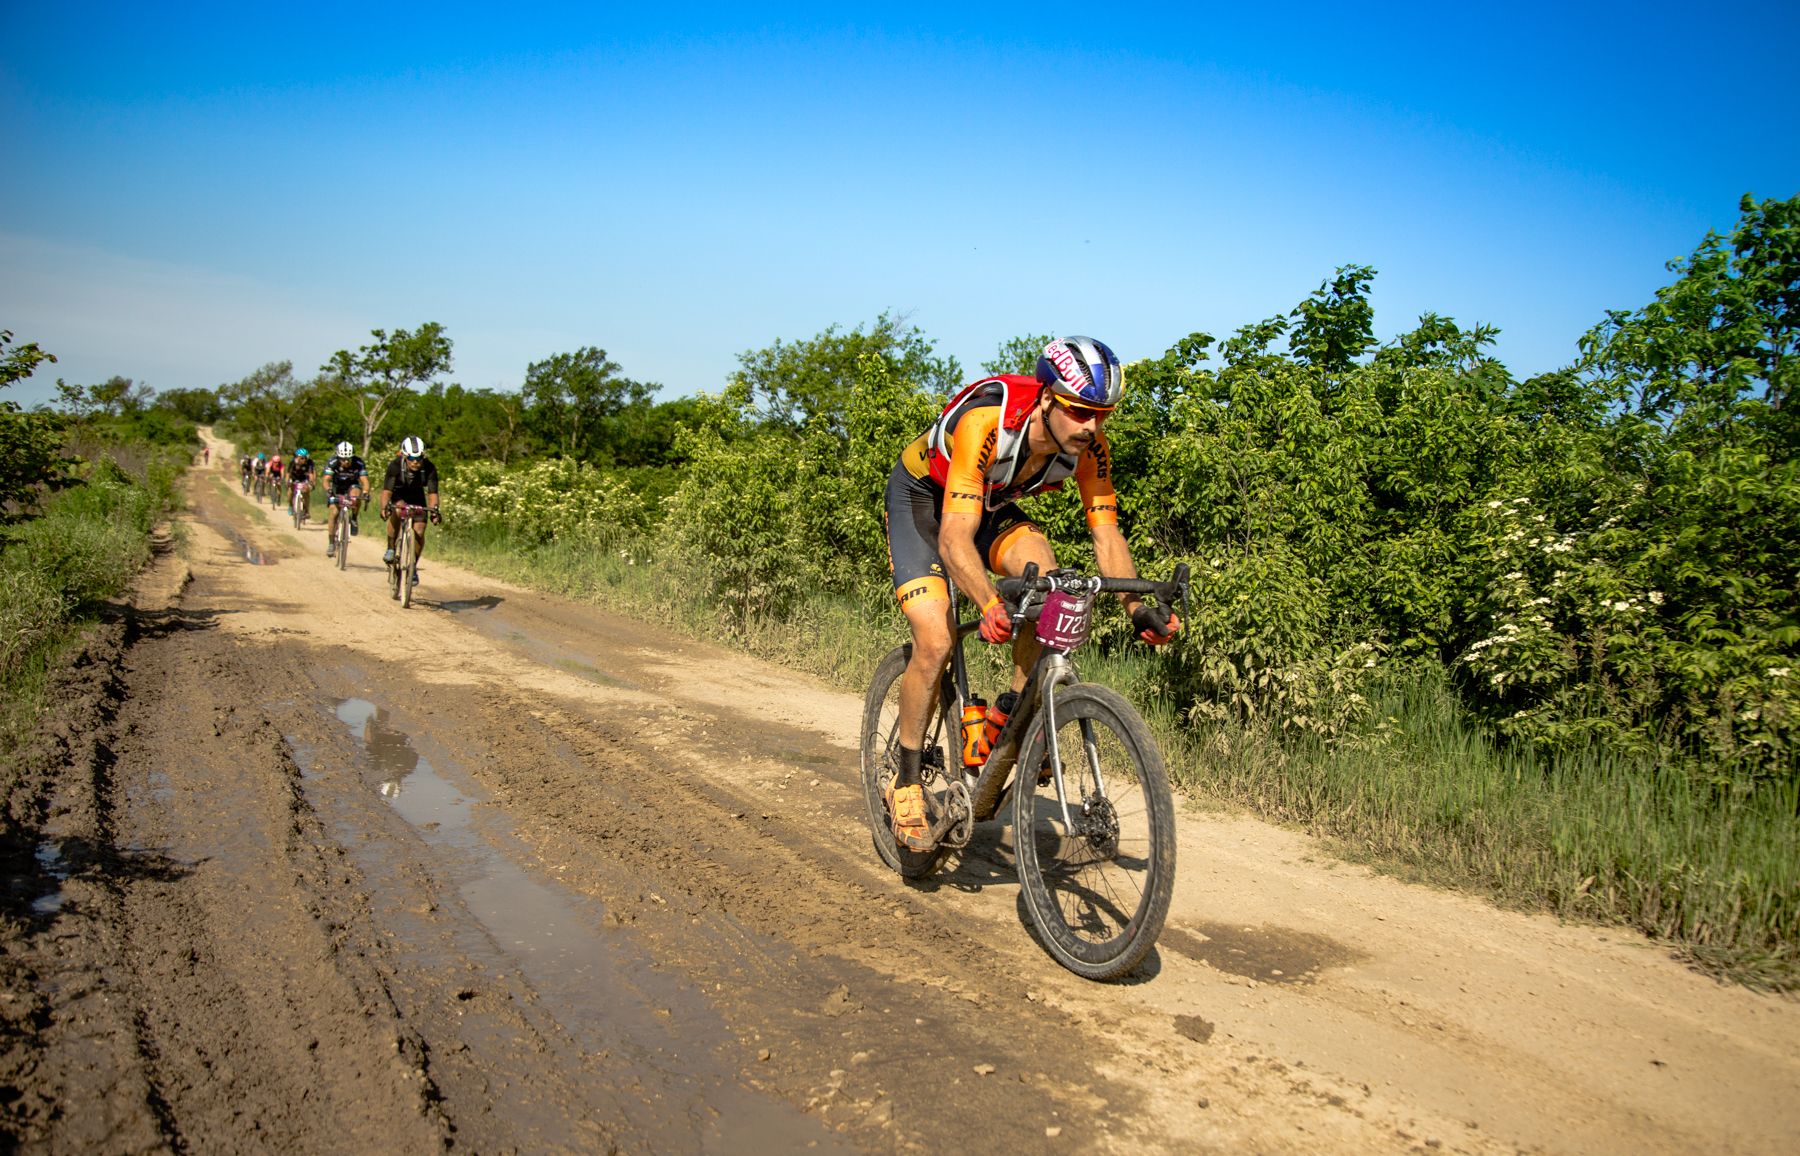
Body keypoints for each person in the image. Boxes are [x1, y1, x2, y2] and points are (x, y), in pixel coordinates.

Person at [880, 336, 1181, 850]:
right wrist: (989, 603)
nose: (1092, 426)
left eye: (1102, 414)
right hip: (925, 504)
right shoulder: (986, 424)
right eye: (1081, 411)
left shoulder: (1090, 446)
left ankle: (1010, 717)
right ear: (1047, 398)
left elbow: (1107, 535)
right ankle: (906, 781)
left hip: (988, 506)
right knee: (936, 640)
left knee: (1049, 584)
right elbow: (954, 537)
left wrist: (1137, 607)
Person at [380, 436, 440, 582]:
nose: (415, 461)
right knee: (398, 510)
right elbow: (387, 491)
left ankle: (412, 566)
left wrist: (434, 511)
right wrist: (384, 507)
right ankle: (391, 547)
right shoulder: (395, 465)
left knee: (419, 531)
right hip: (398, 494)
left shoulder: (429, 468)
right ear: (405, 456)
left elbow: (432, 493)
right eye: (412, 458)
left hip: (417, 496)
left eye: (419, 458)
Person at [322, 441, 368, 557]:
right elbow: (326, 479)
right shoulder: (332, 462)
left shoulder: (358, 462)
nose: (346, 462)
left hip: (352, 486)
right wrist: (328, 490)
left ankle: (354, 518)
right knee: (334, 512)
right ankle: (331, 543)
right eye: (343, 459)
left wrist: (366, 492)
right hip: (337, 488)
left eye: (348, 459)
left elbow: (364, 480)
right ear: (338, 457)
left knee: (356, 494)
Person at [287, 447, 314, 516]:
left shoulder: (309, 462)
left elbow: (311, 474)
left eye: (305, 458)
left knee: (306, 492)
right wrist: (287, 481)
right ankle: (290, 505)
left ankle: (306, 510)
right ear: (297, 457)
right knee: (290, 492)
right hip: (294, 477)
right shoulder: (293, 462)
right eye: (301, 458)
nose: (304, 460)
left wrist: (311, 482)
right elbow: (288, 474)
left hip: (304, 478)